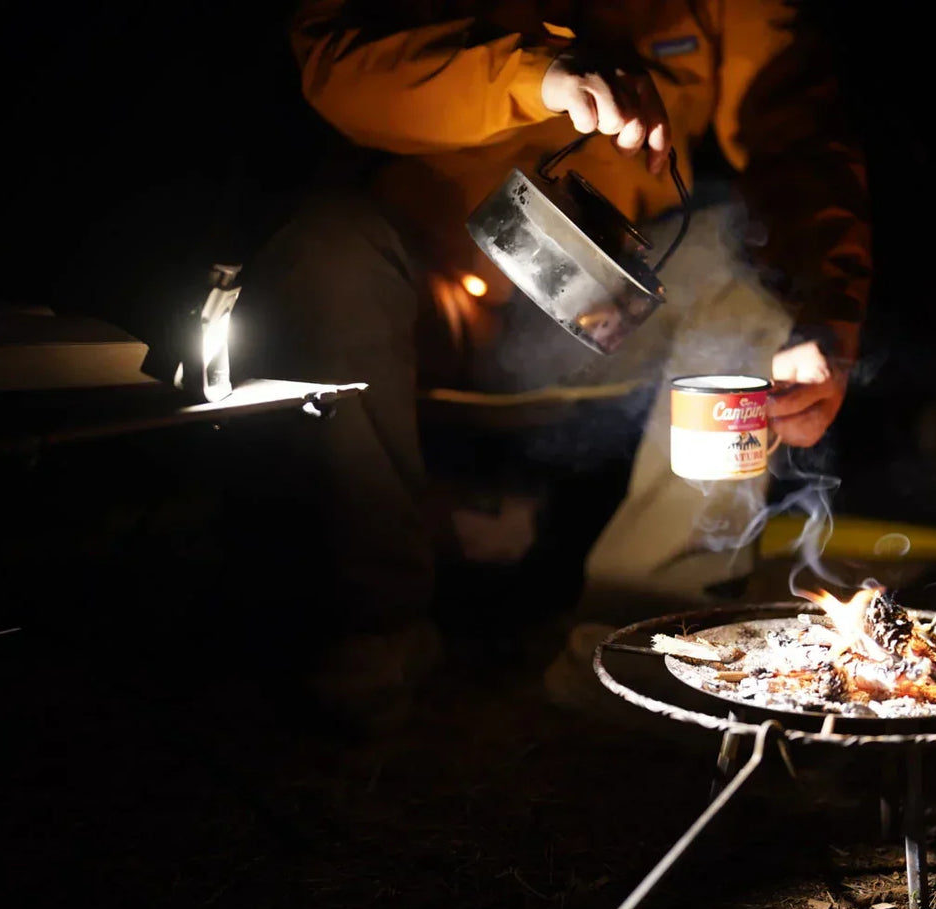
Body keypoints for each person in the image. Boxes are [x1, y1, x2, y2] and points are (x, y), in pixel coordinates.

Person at [233, 0, 872, 723]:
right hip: (430, 302)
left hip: (604, 313)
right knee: (326, 246)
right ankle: (368, 632)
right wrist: (537, 75)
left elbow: (798, 139)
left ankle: (648, 638)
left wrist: (832, 311)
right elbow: (340, 64)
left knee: (746, 258)